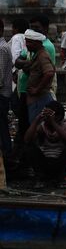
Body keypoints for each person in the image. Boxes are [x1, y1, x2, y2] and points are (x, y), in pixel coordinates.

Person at [23, 101, 66, 183]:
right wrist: (37, 120)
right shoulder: (42, 127)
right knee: (29, 147)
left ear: (59, 116)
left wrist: (53, 122)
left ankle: (61, 178)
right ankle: (40, 177)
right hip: (45, 162)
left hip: (60, 164)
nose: (47, 118)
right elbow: (27, 140)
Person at [21, 29, 55, 125]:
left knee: (37, 126)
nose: (26, 44)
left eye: (29, 42)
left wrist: (37, 89)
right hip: (36, 99)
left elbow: (49, 73)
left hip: (40, 99)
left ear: (36, 43)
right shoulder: (36, 54)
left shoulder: (42, 56)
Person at [0, 19, 13, 157]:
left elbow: (0, 77)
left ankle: (6, 153)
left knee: (2, 126)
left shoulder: (2, 48)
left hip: (1, 94)